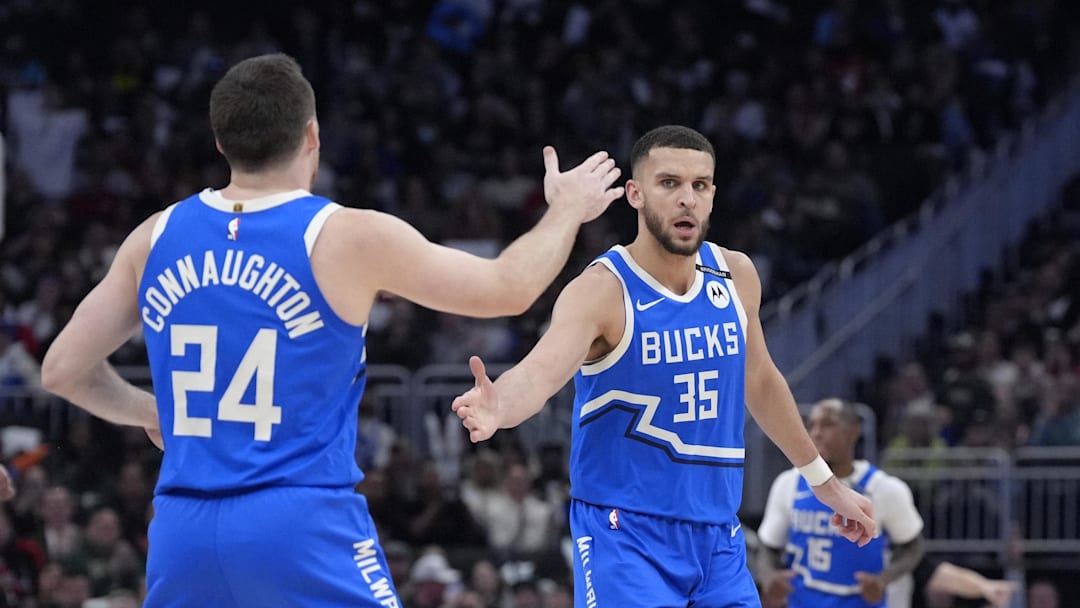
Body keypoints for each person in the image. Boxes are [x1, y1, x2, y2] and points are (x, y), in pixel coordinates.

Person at [40, 53, 624, 607]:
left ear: (221, 143)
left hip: (181, 531)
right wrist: (567, 209)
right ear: (313, 135)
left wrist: (149, 411)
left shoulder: (155, 236)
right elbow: (509, 288)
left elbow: (63, 370)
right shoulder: (342, 235)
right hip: (299, 522)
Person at [451, 125, 878, 607]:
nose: (687, 199)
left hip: (718, 537)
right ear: (635, 193)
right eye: (669, 183)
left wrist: (824, 482)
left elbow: (759, 380)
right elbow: (540, 373)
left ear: (713, 195)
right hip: (625, 535)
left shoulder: (736, 274)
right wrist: (499, 405)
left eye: (699, 186)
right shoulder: (603, 290)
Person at [757, 398, 925, 608]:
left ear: (853, 431)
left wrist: (883, 580)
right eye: (812, 425)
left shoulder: (884, 488)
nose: (816, 433)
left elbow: (913, 546)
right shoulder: (788, 483)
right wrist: (768, 575)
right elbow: (768, 546)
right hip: (802, 601)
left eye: (827, 424)